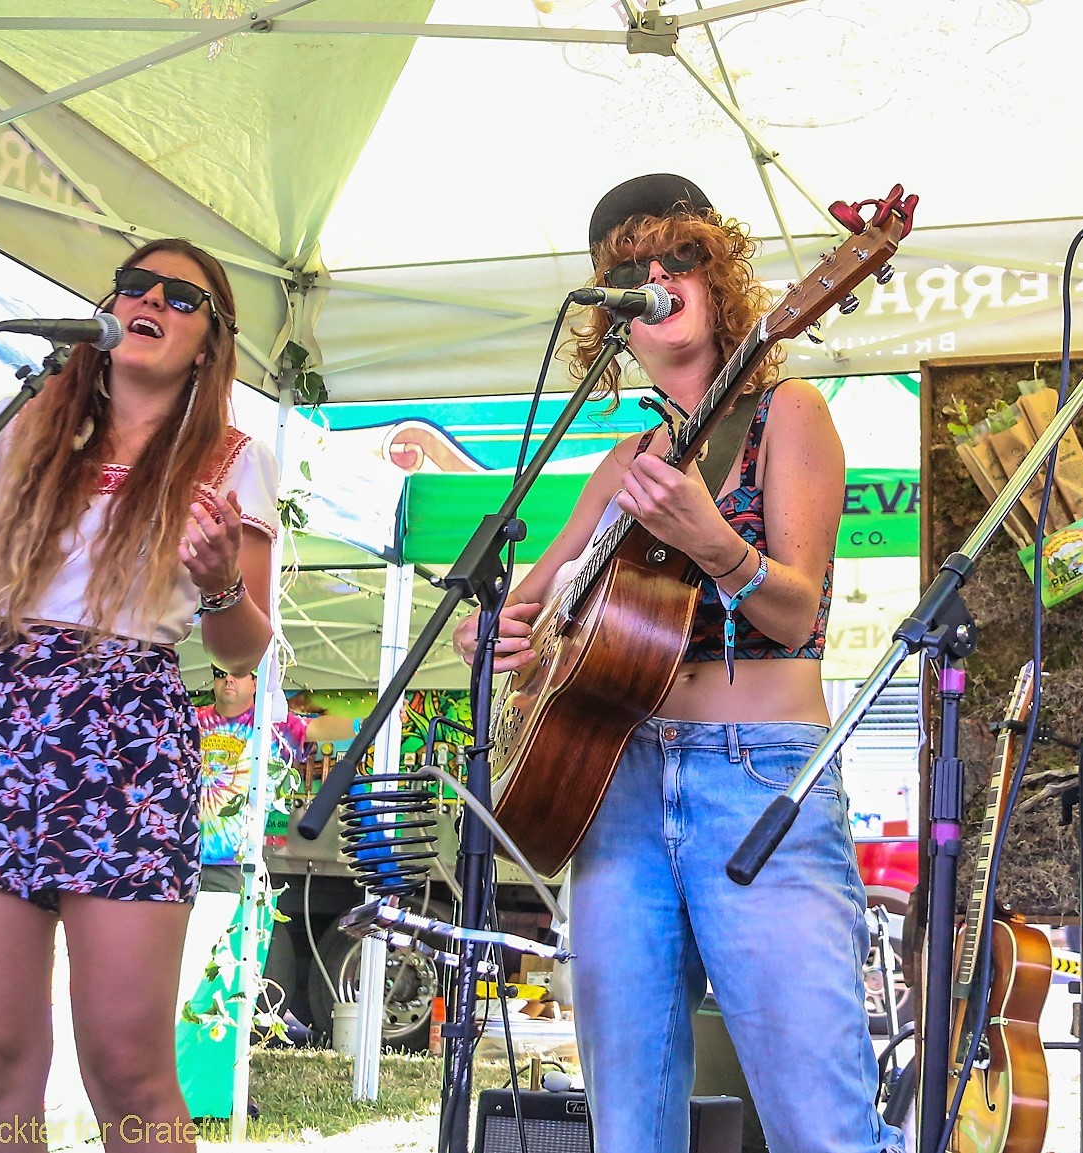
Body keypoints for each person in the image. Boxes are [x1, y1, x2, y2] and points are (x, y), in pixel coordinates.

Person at [452, 174, 897, 1153]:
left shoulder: (791, 415)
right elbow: (531, 606)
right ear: (614, 316)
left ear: (717, 273)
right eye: (629, 270)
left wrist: (711, 540)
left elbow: (796, 608)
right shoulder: (625, 461)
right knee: (629, 1128)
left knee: (821, 1123)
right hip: (615, 779)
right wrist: (505, 638)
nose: (655, 277)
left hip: (759, 770)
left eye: (677, 257)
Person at [0, 238, 277, 1151]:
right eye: (133, 286)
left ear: (209, 342)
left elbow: (241, 645)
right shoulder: (27, 424)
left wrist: (220, 583)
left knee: (128, 1068)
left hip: (127, 731)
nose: (149, 298)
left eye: (180, 296)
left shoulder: (234, 458)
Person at [195, 666, 356, 868]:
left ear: (255, 682)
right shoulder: (190, 720)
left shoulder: (271, 723)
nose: (228, 679)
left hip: (235, 861)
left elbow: (315, 728)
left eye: (237, 673)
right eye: (220, 674)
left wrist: (364, 724)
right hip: (177, 855)